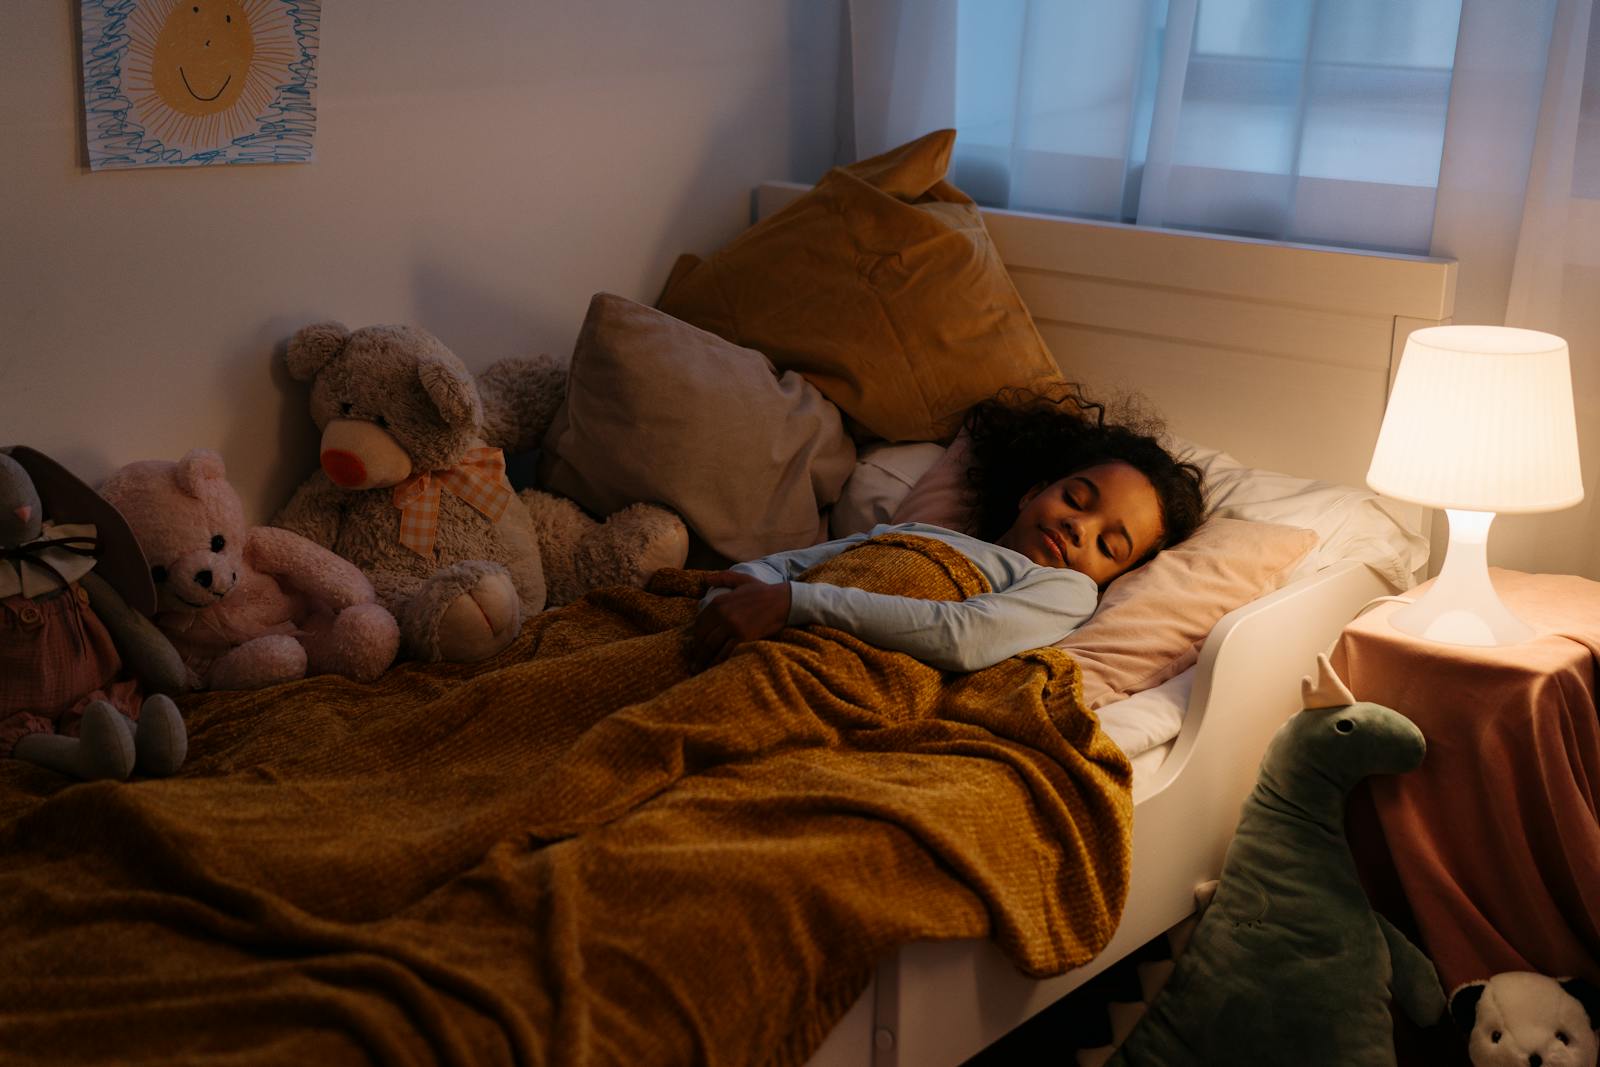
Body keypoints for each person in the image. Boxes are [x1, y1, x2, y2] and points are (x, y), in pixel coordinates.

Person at [689, 384, 1206, 672]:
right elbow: (797, 563)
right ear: (1032, 493)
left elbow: (965, 637)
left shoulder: (1065, 590)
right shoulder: (918, 531)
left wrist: (795, 603)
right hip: (752, 641)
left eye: (1108, 544)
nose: (1078, 527)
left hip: (825, 665)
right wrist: (735, 599)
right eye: (1075, 499)